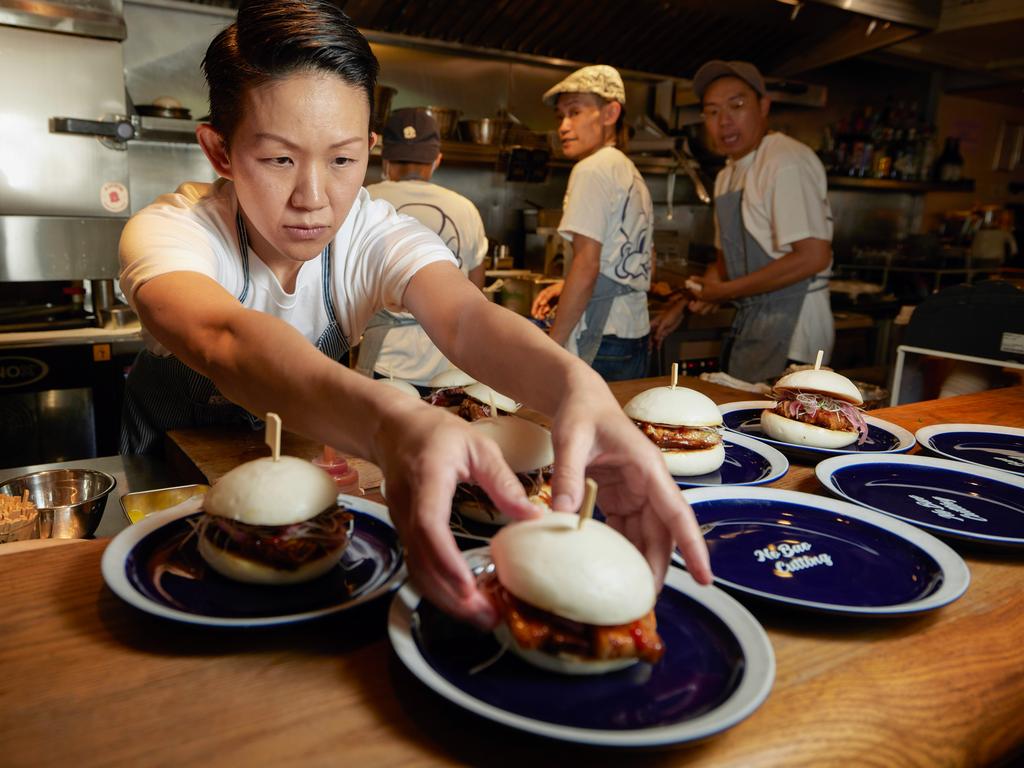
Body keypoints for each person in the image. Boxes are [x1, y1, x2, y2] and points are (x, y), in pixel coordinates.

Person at [117, 0, 710, 629]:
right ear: (220, 151)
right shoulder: (171, 230)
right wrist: (391, 421)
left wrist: (573, 387)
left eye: (343, 160)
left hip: (298, 505)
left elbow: (465, 320)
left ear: (371, 149)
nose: (313, 199)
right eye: (279, 159)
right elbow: (226, 340)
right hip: (162, 489)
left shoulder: (370, 232)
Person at [651, 60, 834, 383]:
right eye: (712, 111)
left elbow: (813, 256)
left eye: (737, 105)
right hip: (755, 323)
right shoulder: (726, 176)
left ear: (764, 106)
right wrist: (691, 298)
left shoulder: (784, 161)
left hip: (794, 332)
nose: (724, 122)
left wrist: (723, 292)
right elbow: (725, 262)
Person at [529, 65, 653, 382]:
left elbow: (586, 264)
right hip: (633, 334)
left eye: (575, 112)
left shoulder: (592, 169)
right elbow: (631, 257)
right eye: (560, 116)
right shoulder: (627, 170)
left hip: (603, 336)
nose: (564, 126)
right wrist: (564, 285)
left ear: (610, 113)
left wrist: (552, 344)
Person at [358, 107, 487, 388]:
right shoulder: (465, 209)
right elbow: (476, 290)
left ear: (384, 157)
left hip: (385, 362)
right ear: (437, 160)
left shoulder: (364, 200)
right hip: (450, 361)